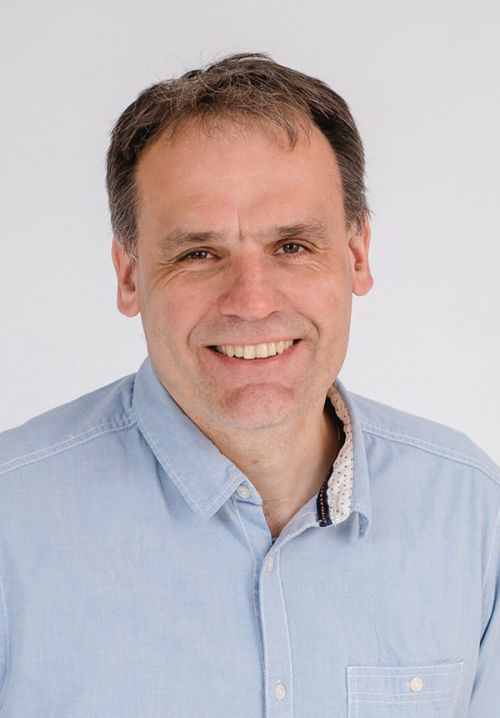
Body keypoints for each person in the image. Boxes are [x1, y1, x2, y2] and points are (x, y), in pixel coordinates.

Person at [0, 53, 498, 718]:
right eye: (199, 253)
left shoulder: (471, 512)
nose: (252, 302)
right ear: (128, 275)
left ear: (356, 256)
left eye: (292, 246)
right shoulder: (11, 522)